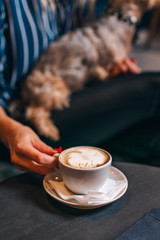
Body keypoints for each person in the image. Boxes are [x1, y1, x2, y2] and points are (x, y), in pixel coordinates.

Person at [0, 0, 151, 176]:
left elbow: (82, 65)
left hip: (70, 96)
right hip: (16, 119)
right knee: (153, 90)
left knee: (152, 131)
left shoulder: (80, 5)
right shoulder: (11, 5)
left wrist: (111, 74)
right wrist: (10, 131)